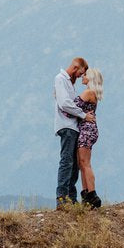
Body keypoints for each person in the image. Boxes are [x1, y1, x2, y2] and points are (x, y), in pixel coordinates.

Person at [53, 57, 94, 207]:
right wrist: (84, 115)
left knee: (74, 164)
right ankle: (62, 198)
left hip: (73, 126)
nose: (80, 76)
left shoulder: (69, 83)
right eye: (81, 72)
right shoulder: (61, 79)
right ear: (76, 67)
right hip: (67, 125)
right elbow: (65, 103)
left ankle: (71, 197)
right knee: (67, 161)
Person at [75, 67, 104, 208]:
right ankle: (86, 193)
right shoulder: (93, 93)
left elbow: (72, 107)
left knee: (85, 163)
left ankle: (91, 194)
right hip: (89, 130)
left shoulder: (88, 92)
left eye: (85, 75)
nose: (82, 76)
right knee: (83, 163)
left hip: (86, 129)